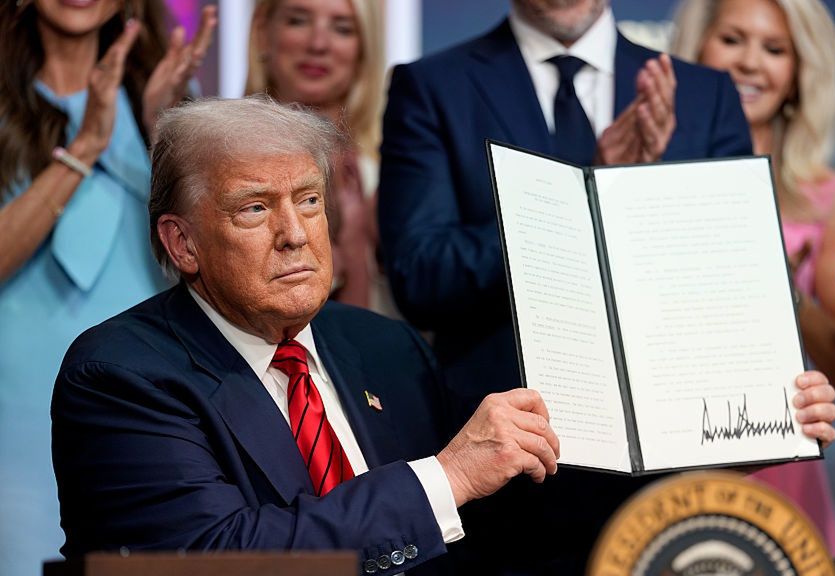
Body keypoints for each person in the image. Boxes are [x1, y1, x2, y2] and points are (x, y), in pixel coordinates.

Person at [378, 0, 835, 572]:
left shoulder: (701, 93)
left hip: (669, 497)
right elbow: (420, 274)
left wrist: (775, 400)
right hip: (506, 489)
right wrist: (578, 190)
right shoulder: (433, 85)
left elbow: (724, 284)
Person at [51, 97, 563, 576]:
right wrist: (445, 477)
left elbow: (473, 532)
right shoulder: (120, 377)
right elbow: (217, 557)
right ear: (183, 243)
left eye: (309, 200)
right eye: (254, 208)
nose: (294, 233)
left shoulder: (389, 348)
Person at [0, 2, 215, 574]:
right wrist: (85, 148)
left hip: (147, 391)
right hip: (15, 403)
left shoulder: (164, 89)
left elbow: (206, 260)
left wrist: (163, 132)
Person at [671, 0, 835, 555]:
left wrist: (784, 292)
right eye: (732, 40)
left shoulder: (826, 196)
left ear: (800, 73)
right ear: (697, 47)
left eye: (775, 49)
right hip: (664, 458)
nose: (751, 63)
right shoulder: (645, 167)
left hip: (778, 461)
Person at [246, 0, 391, 314]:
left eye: (342, 29)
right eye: (298, 21)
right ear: (262, 33)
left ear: (364, 49)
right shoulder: (221, 167)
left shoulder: (390, 173)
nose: (318, 44)